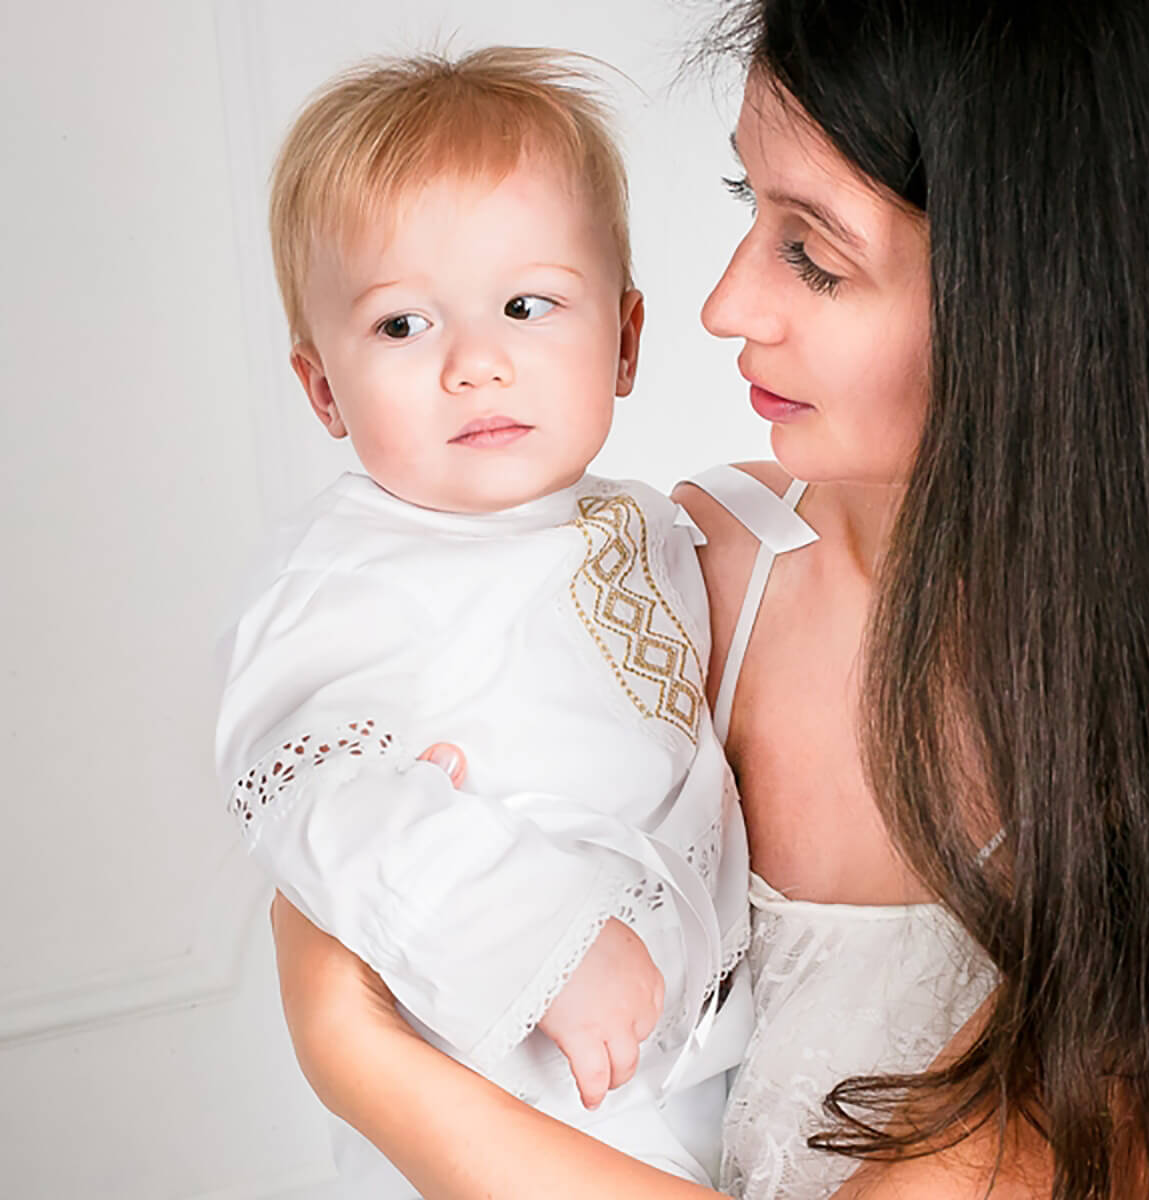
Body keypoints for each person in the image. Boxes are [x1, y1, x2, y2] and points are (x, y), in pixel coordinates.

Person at [267, 0, 1149, 1196]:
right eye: (744, 208)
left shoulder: (1146, 723)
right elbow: (344, 795)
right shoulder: (671, 574)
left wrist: (355, 1055)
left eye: (813, 251)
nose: (723, 305)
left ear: (1042, 295)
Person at [214, 48, 755, 1196]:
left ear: (623, 341)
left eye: (527, 305)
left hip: (697, 1066)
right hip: (513, 1073)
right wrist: (540, 937)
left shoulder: (652, 528)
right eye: (403, 325)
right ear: (323, 390)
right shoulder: (354, 575)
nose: (476, 363)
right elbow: (304, 788)